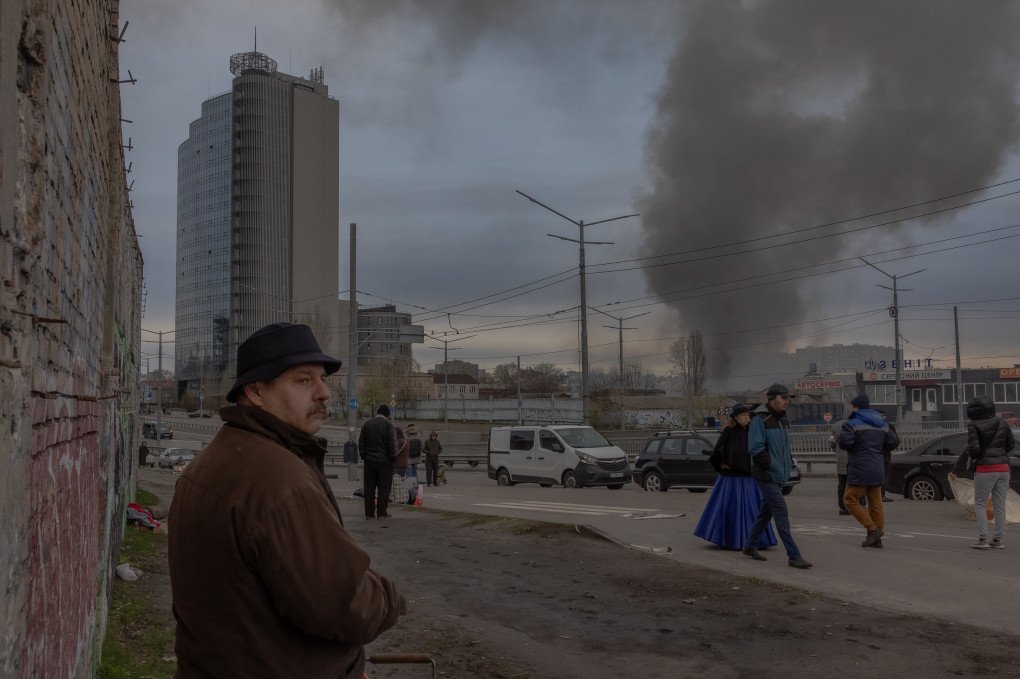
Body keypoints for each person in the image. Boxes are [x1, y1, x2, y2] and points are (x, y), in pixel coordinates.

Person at [168, 322, 405, 678]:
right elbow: (343, 604)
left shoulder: (217, 459)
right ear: (257, 391)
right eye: (303, 380)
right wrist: (390, 597)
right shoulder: (278, 481)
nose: (324, 393)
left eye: (322, 378)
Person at [743, 384, 813, 569]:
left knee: (765, 513)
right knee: (781, 511)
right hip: (766, 475)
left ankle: (749, 546)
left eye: (788, 398)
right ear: (773, 399)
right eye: (784, 397)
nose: (787, 401)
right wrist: (771, 464)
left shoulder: (783, 420)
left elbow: (784, 447)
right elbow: (755, 447)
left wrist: (788, 464)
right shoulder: (760, 418)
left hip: (779, 475)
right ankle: (794, 555)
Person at [694, 403, 777, 550]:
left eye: (748, 415)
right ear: (736, 417)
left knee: (754, 511)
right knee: (729, 510)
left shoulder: (754, 431)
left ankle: (755, 540)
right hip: (731, 480)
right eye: (743, 415)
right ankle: (731, 539)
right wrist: (721, 467)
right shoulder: (729, 432)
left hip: (750, 479)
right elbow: (716, 454)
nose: (746, 418)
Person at [838, 394, 899, 548]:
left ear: (856, 407)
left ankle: (872, 530)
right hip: (877, 466)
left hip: (859, 467)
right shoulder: (881, 422)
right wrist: (877, 450)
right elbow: (893, 442)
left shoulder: (851, 423)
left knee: (849, 500)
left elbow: (845, 443)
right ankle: (876, 540)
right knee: (875, 503)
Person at [966, 395, 1016, 549]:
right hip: (1003, 468)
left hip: (985, 469)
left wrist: (980, 456)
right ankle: (998, 540)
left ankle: (982, 540)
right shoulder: (1002, 422)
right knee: (999, 505)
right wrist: (999, 454)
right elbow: (1011, 444)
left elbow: (974, 449)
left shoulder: (973, 425)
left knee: (980, 504)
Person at [360, 405, 397, 519]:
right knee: (384, 488)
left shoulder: (367, 424)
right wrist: (392, 459)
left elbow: (361, 443)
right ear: (387, 414)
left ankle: (369, 514)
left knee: (369, 488)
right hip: (384, 462)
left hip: (369, 462)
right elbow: (391, 444)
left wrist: (364, 456)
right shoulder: (388, 425)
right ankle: (382, 513)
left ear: (377, 413)